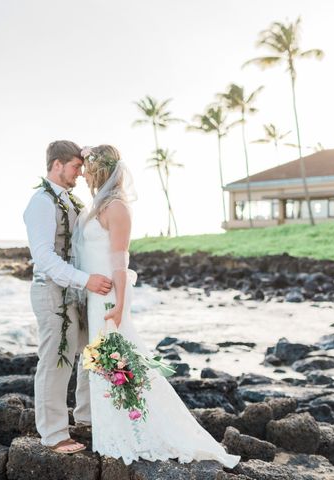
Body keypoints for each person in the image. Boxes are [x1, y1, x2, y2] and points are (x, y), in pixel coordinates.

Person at [75, 144, 241, 467]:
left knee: (119, 364)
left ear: (103, 171)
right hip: (96, 295)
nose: (85, 174)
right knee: (105, 365)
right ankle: (115, 430)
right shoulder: (97, 206)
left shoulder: (117, 208)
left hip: (111, 295)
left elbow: (120, 261)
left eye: (89, 168)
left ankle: (140, 427)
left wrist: (120, 305)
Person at [23, 140, 113, 454]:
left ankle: (87, 418)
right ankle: (53, 434)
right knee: (55, 361)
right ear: (57, 165)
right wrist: (86, 280)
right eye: (76, 166)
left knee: (91, 353)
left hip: (77, 292)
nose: (80, 172)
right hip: (51, 292)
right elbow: (45, 258)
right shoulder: (41, 203)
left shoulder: (74, 202)